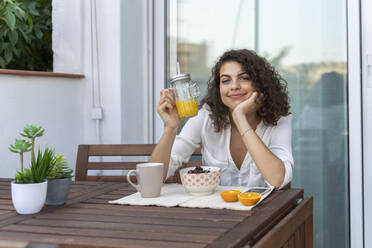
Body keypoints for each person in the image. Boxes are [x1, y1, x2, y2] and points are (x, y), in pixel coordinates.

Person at [150, 49, 293, 189]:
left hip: (263, 211)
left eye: (244, 78)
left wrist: (240, 118)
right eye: (226, 80)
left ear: (260, 83)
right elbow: (153, 179)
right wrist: (170, 128)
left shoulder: (279, 121)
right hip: (214, 211)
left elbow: (278, 180)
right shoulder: (206, 116)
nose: (234, 86)